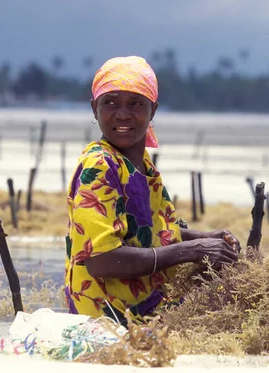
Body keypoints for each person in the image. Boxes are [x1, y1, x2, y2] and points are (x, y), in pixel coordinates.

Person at [64, 56, 239, 325]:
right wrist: (192, 250)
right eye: (110, 102)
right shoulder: (99, 165)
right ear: (94, 108)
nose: (122, 114)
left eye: (135, 103)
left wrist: (204, 237)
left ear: (153, 110)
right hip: (107, 319)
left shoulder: (142, 165)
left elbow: (152, 231)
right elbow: (101, 260)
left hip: (147, 307)